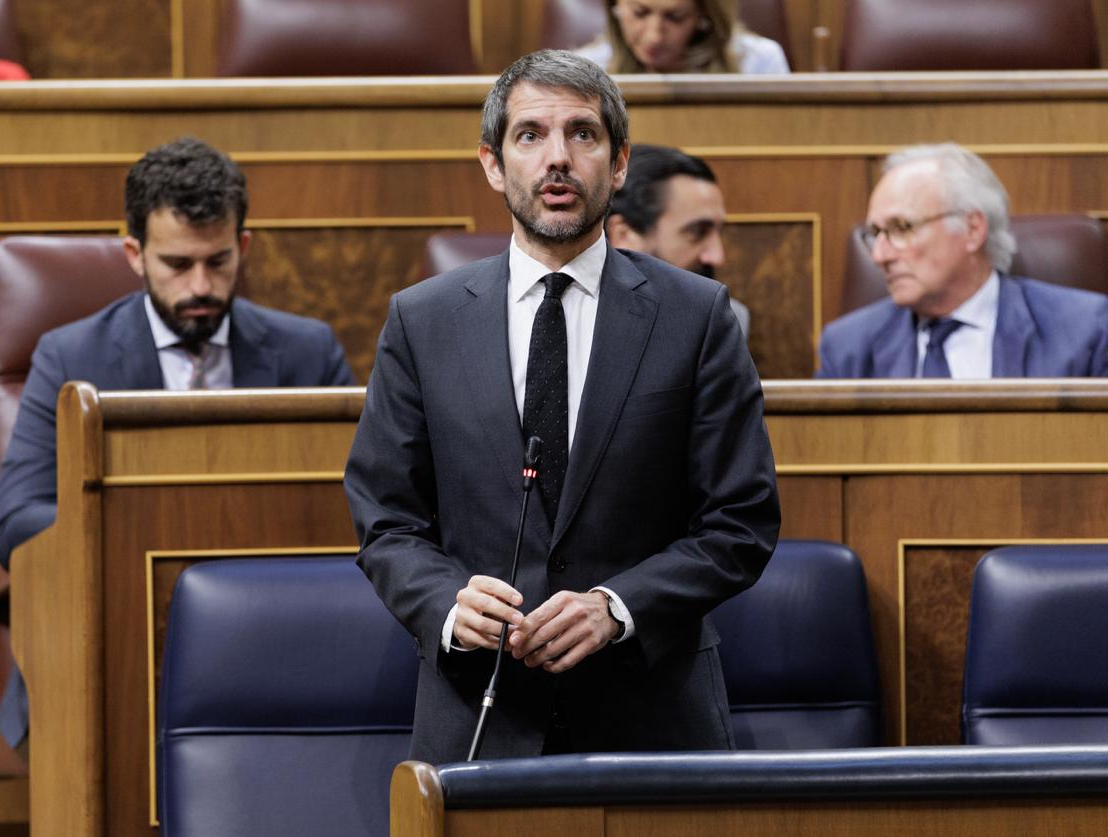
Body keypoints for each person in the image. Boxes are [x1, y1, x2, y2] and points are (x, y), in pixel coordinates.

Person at [345, 50, 779, 764]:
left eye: (582, 133)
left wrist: (617, 606)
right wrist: (449, 604)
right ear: (492, 164)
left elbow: (740, 521)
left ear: (619, 163)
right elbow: (386, 517)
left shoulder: (697, 316)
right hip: (480, 720)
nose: (557, 159)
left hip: (650, 721)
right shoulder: (423, 320)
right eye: (530, 135)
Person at [0, 136, 354, 747]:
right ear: (134, 253)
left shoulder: (306, 352)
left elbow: (365, 503)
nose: (200, 286)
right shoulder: (70, 357)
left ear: (243, 245)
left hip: (277, 635)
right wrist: (150, 527)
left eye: (217, 261)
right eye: (177, 265)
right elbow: (17, 525)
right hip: (115, 638)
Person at [818, 143, 1108, 378]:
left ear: (972, 229)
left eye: (902, 228)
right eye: (876, 233)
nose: (879, 256)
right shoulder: (847, 350)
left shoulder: (1087, 333)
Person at [606, 143, 750, 336]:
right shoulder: (574, 319)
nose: (717, 257)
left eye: (718, 231)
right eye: (697, 232)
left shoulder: (726, 321)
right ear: (624, 235)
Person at [576, 0, 788, 75]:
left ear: (704, 14)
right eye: (639, 13)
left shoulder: (759, 61)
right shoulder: (585, 69)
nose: (654, 36)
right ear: (615, 3)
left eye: (675, 17)